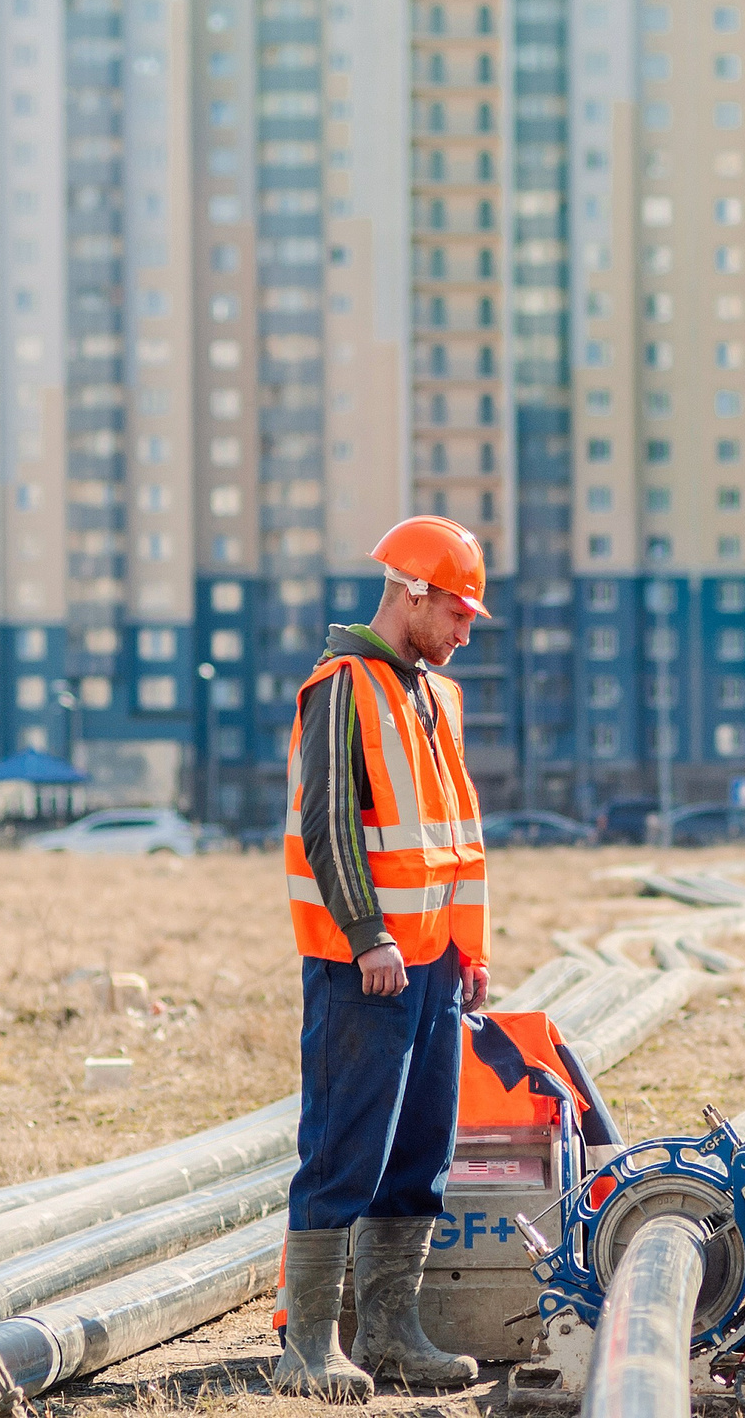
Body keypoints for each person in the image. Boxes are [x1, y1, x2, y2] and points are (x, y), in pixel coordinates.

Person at [272, 516, 493, 1402]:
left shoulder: (432, 696)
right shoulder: (342, 688)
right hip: (364, 962)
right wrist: (370, 936)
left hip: (434, 964)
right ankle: (309, 1349)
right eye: (457, 610)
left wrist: (468, 953)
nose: (466, 630)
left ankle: (394, 1335)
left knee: (418, 1151)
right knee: (342, 1150)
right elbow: (327, 829)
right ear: (411, 594)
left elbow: (452, 842)